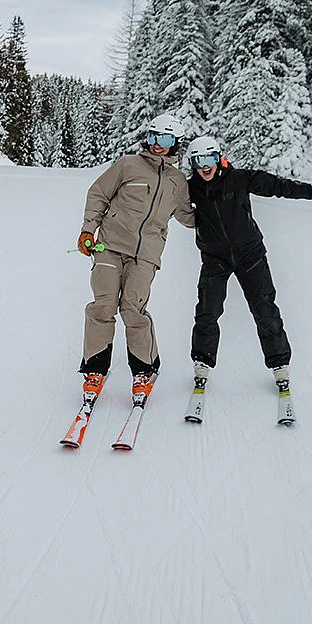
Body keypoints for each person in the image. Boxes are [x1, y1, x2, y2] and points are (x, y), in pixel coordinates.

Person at [182, 134, 312, 398]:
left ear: (219, 158)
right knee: (207, 311)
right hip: (215, 258)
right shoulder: (191, 188)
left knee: (264, 308)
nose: (205, 166)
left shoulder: (240, 179)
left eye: (209, 158)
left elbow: (281, 187)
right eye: (198, 161)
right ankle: (202, 362)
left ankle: (279, 363)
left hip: (250, 255)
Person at [75, 114, 196, 406]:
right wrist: (88, 229)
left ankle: (144, 371)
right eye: (154, 138)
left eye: (165, 140)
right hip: (109, 246)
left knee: (133, 309)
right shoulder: (128, 164)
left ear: (175, 144)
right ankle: (94, 371)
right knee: (103, 305)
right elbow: (98, 194)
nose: (158, 145)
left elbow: (188, 217)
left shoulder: (178, 181)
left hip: (146, 255)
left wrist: (221, 208)